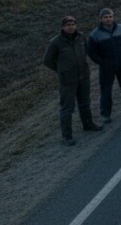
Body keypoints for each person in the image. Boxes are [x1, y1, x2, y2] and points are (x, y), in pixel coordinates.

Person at [43, 16, 102, 145]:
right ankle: (67, 136)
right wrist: (62, 70)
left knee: (85, 103)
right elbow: (47, 61)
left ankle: (88, 124)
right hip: (67, 80)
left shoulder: (81, 37)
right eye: (68, 24)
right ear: (62, 27)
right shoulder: (55, 42)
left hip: (83, 76)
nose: (71, 26)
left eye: (73, 24)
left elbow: (85, 51)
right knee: (67, 108)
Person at [87, 8, 121, 123]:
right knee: (106, 90)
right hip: (107, 67)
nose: (108, 19)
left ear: (113, 17)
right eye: (106, 17)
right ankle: (105, 115)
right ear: (101, 19)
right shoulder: (95, 34)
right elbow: (92, 52)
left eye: (110, 16)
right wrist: (102, 62)